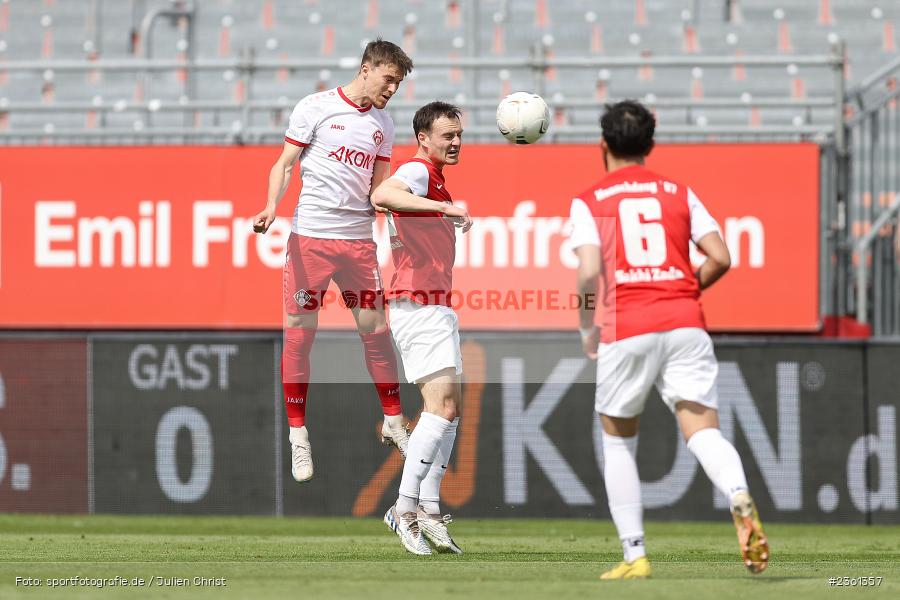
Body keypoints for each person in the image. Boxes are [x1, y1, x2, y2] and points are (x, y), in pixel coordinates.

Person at [569, 100, 769, 579]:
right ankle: (738, 493)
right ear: (650, 145)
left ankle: (635, 555)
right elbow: (720, 257)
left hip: (627, 325)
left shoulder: (591, 199)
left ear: (603, 144)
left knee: (618, 443)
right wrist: (680, 290)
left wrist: (586, 325)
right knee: (704, 432)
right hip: (685, 322)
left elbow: (589, 273)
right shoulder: (679, 192)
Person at [252, 39, 414, 484]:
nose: (393, 88)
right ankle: (298, 434)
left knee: (376, 331)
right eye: (389, 78)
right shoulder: (317, 107)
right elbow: (285, 164)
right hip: (312, 242)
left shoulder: (384, 124)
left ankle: (395, 421)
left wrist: (401, 216)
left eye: (399, 83)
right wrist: (270, 206)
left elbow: (379, 188)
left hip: (358, 244)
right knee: (301, 334)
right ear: (367, 68)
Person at [370, 101, 472, 555]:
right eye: (446, 135)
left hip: (434, 306)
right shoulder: (416, 171)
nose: (455, 142)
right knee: (440, 408)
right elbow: (382, 195)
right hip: (417, 304)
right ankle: (404, 509)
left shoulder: (436, 182)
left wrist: (443, 208)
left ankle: (428, 509)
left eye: (459, 135)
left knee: (449, 410)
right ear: (424, 139)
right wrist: (443, 209)